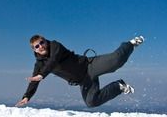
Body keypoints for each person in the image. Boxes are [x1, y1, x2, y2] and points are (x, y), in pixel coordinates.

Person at [15, 34, 144, 108]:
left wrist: (42, 75)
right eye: (37, 46)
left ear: (45, 42)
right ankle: (119, 86)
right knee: (91, 102)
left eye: (42, 42)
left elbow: (53, 60)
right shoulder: (39, 64)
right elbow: (34, 80)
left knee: (117, 61)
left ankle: (130, 44)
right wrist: (27, 96)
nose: (41, 46)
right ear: (35, 50)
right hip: (83, 81)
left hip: (89, 66)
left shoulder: (55, 46)